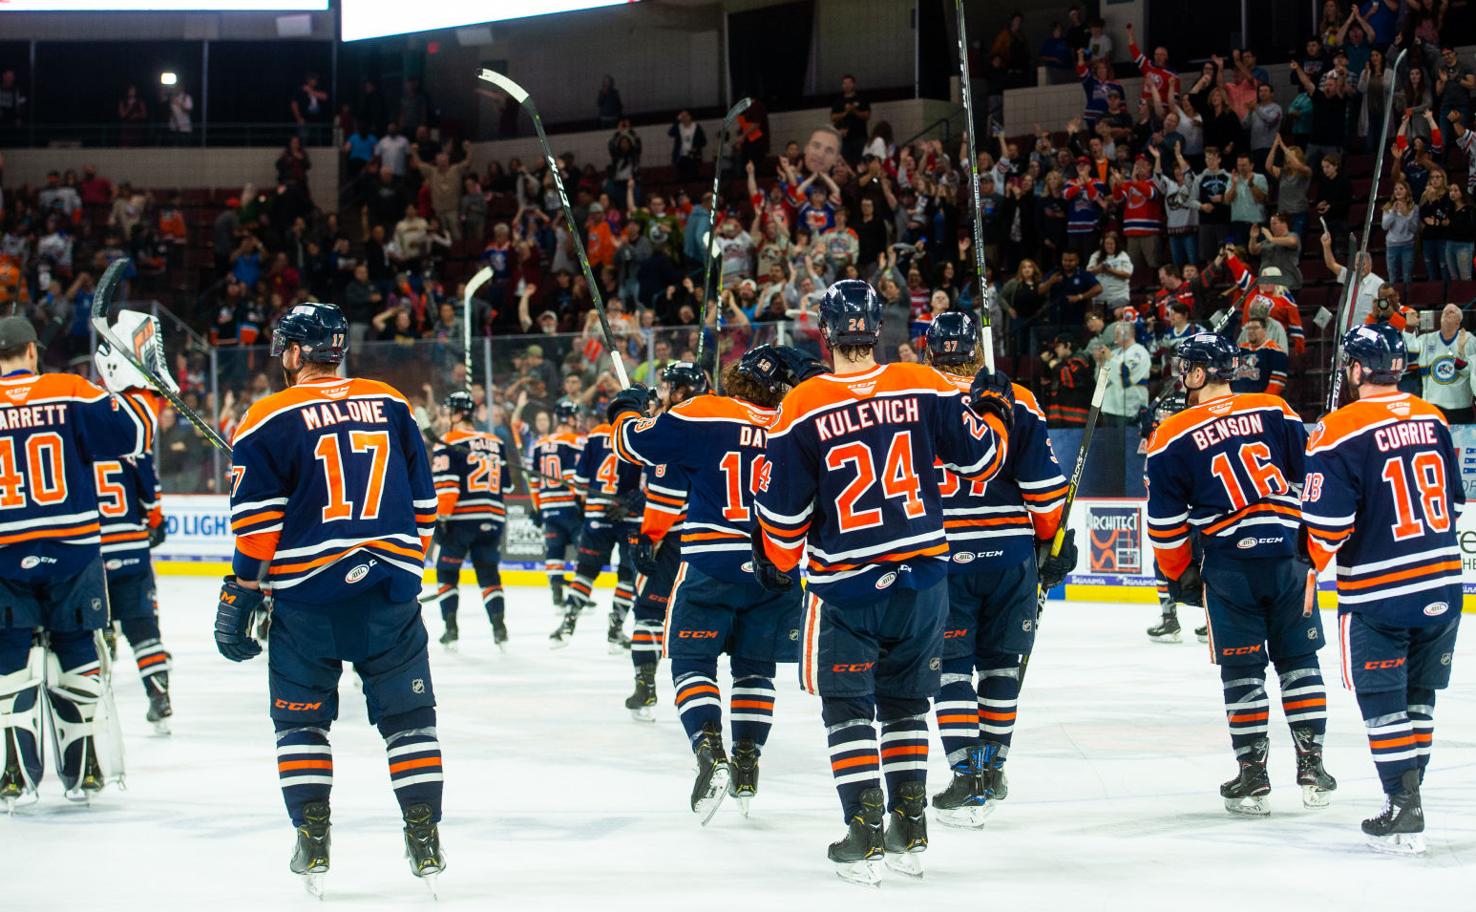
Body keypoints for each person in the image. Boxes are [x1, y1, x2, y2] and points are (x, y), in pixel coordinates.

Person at [751, 279, 1013, 884]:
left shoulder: (803, 404)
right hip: (924, 582)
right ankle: (910, 827)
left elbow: (785, 519)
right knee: (904, 704)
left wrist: (778, 561)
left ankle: (864, 827)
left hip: (846, 583)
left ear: (827, 330)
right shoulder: (921, 380)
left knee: (848, 708)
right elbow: (983, 462)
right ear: (879, 329)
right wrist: (993, 410)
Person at [212, 303, 444, 893]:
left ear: (294, 353)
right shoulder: (392, 402)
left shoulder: (264, 417)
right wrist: (397, 568)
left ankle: (313, 836)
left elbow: (258, 530)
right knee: (409, 720)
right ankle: (424, 834)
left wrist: (240, 591)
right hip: (389, 593)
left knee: (301, 725)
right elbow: (425, 510)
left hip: (307, 602)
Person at [609, 345, 810, 823]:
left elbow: (632, 446)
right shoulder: (797, 420)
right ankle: (746, 760)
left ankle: (708, 748)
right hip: (778, 566)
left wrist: (628, 408)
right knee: (755, 670)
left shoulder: (703, 411)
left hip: (710, 564)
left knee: (691, 659)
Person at [1146, 332, 1335, 818]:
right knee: (1299, 659)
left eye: (1186, 367)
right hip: (1288, 556)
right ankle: (1313, 767)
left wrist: (1179, 574)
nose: (1181, 375)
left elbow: (1166, 526)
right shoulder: (1277, 409)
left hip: (1230, 563)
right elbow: (1313, 480)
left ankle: (1253, 776)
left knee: (1242, 668)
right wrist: (1312, 548)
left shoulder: (1171, 433)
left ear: (1200, 372)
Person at [1302, 323, 1463, 856]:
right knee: (1420, 695)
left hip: (1380, 588)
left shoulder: (1339, 428)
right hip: (1444, 579)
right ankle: (1410, 795)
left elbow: (1328, 525)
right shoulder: (1433, 415)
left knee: (1382, 700)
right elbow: (1456, 502)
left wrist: (1309, 565)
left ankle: (1402, 803)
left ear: (1353, 370)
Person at [0, 314, 159, 808]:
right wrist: (139, 378)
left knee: (8, 657)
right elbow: (139, 434)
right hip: (71, 553)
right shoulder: (68, 389)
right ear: (32, 352)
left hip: (4, 556)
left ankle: (12, 770)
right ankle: (86, 763)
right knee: (77, 649)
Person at [922, 312, 1075, 827]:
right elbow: (1047, 495)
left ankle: (968, 777)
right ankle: (992, 768)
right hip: (1010, 555)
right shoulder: (1021, 400)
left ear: (929, 351)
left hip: (943, 555)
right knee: (1001, 668)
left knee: (952, 670)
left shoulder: (918, 398)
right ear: (977, 353)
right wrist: (1052, 543)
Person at [92, 315, 174, 733]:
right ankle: (158, 692)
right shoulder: (131, 439)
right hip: (131, 544)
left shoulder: (84, 436)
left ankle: (92, 693)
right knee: (143, 624)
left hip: (90, 550)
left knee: (91, 626)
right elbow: (148, 486)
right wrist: (156, 521)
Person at [622, 361, 707, 721]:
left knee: (649, 611)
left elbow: (665, 498)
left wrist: (647, 537)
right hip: (712, 540)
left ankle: (646, 686)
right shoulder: (713, 421)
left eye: (667, 386)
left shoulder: (674, 429)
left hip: (673, 539)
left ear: (680, 390)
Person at [549, 398, 644, 651]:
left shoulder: (595, 434)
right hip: (631, 516)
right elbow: (648, 480)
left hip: (597, 514)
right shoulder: (644, 429)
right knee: (626, 574)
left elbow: (580, 482)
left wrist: (588, 510)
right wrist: (632, 500)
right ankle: (616, 629)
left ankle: (567, 624)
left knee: (586, 571)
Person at [427, 391, 514, 649]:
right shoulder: (495, 441)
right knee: (488, 574)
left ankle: (451, 628)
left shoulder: (448, 440)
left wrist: (440, 519)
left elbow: (448, 487)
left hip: (461, 520)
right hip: (494, 518)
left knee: (446, 570)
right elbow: (506, 487)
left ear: (455, 413)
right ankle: (499, 628)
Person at [528, 399, 586, 613]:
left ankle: (557, 594)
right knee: (583, 552)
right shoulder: (576, 441)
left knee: (554, 551)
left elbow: (533, 480)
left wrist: (537, 507)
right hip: (570, 506)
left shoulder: (539, 444)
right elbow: (573, 477)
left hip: (548, 506)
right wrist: (582, 503)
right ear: (569, 418)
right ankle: (578, 595)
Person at [1406, 303, 1474, 423]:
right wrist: (1409, 328)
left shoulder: (1469, 340)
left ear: (1458, 322)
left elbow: (1470, 374)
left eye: (1451, 312)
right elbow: (1409, 356)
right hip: (1432, 406)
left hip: (1460, 408)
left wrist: (1461, 354)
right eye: (1444, 311)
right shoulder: (1425, 339)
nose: (1447, 313)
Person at [1097, 321, 1151, 425]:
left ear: (1126, 334)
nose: (1114, 337)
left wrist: (1110, 359)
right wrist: (1100, 362)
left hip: (1129, 410)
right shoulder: (1114, 353)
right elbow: (1101, 381)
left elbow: (1126, 378)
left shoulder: (1139, 352)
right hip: (1110, 408)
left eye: (1117, 333)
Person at [1232, 317, 1289, 396]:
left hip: (1258, 401)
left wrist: (1264, 402)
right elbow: (1228, 374)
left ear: (1265, 330)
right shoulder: (1238, 350)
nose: (1251, 331)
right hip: (1234, 399)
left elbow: (1277, 383)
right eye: (1248, 328)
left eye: (1255, 328)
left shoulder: (1277, 352)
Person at [831, 74, 871, 164]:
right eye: (845, 83)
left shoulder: (861, 98)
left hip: (860, 137)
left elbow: (867, 115)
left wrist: (854, 111)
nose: (847, 85)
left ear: (853, 84)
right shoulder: (839, 101)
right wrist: (845, 113)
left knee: (862, 162)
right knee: (845, 163)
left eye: (849, 83)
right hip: (844, 140)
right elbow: (833, 117)